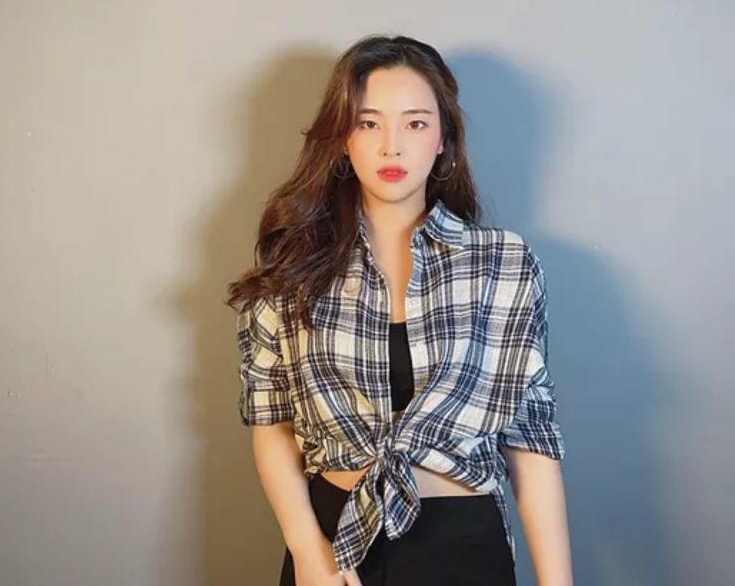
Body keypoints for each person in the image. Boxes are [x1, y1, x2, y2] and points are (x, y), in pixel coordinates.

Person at [227, 35, 573, 586]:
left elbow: (531, 440)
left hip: (463, 547)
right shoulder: (294, 268)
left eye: (414, 123)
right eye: (369, 123)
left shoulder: (502, 265)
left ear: (443, 140)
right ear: (343, 140)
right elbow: (272, 423)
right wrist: (307, 548)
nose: (392, 146)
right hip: (334, 546)